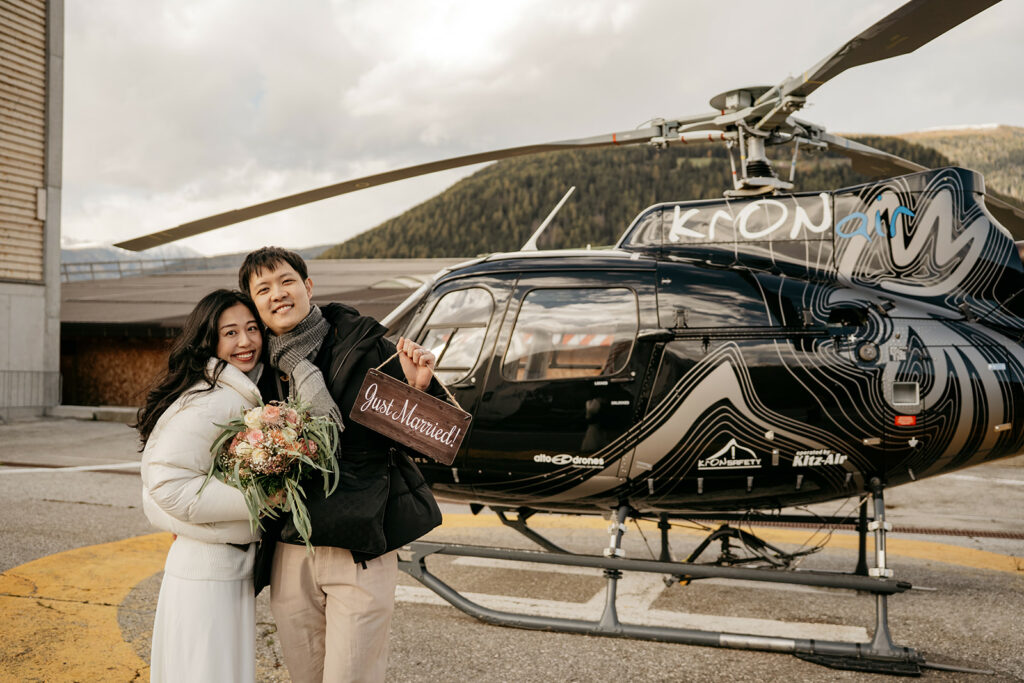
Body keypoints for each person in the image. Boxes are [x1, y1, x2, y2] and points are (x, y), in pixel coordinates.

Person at [239, 246, 443, 683]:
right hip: (292, 550)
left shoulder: (365, 346)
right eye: (264, 288)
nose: (278, 294)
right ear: (254, 306)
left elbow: (431, 444)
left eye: (287, 281)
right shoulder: (255, 369)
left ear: (308, 287)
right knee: (305, 673)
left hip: (359, 544)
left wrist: (422, 390)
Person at [136, 289, 265, 683]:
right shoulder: (215, 399)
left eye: (252, 329)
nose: (245, 342)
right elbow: (165, 482)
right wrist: (260, 500)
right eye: (230, 333)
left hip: (213, 569)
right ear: (209, 340)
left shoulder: (228, 389)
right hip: (209, 575)